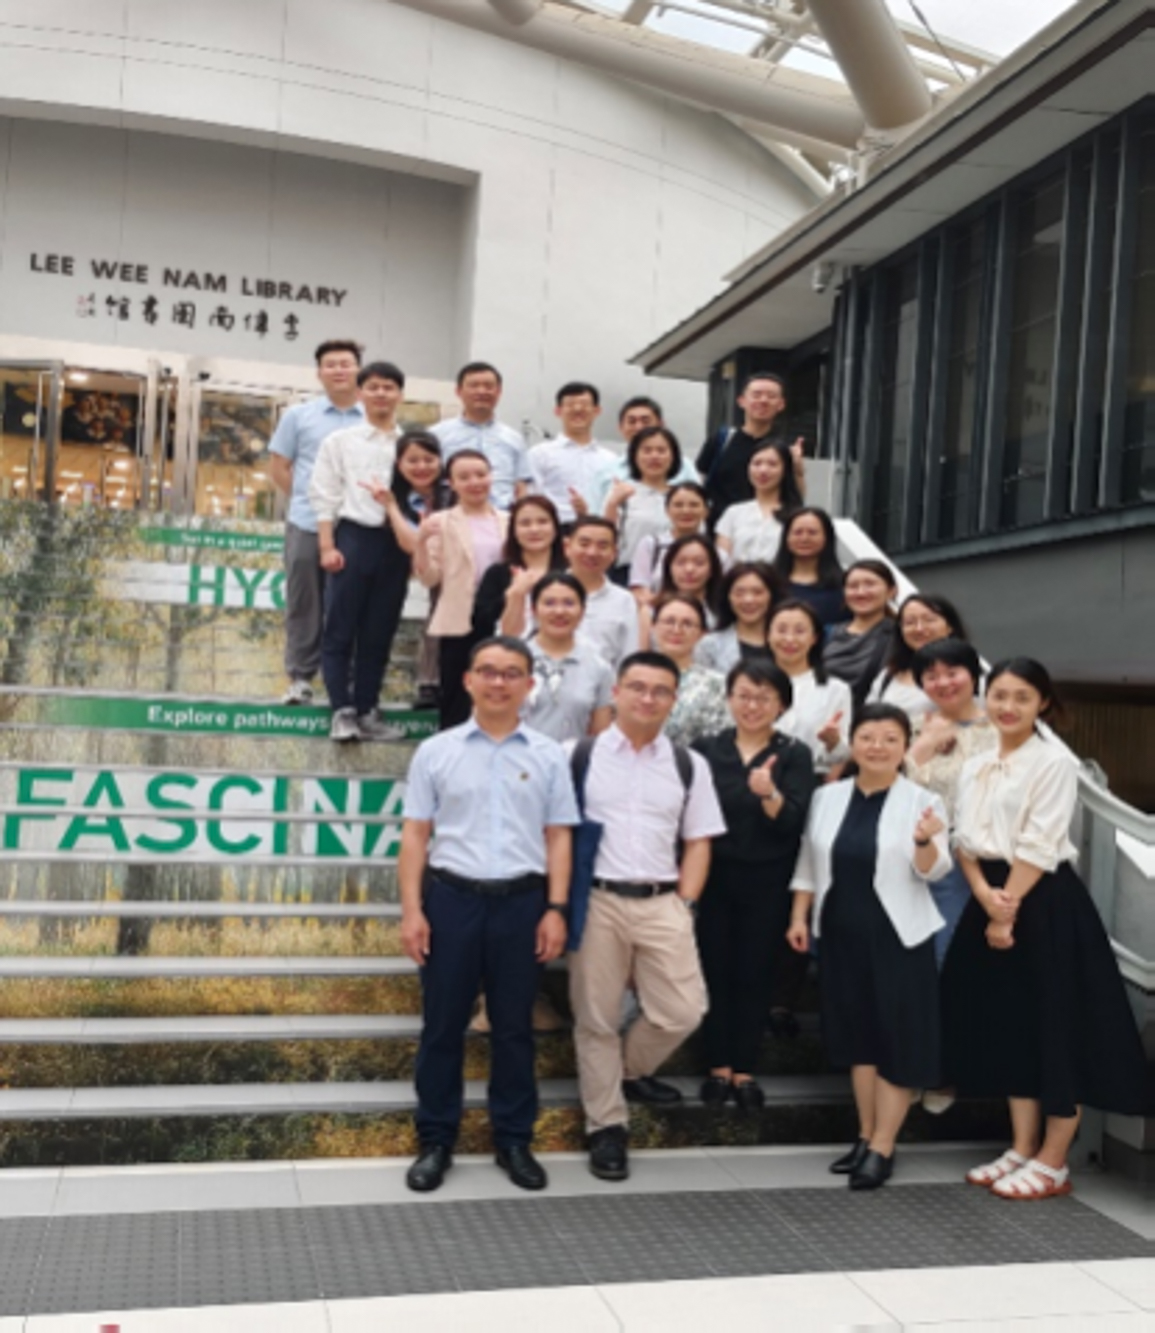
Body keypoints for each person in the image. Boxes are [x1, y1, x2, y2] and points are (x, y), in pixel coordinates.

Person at [942, 659, 1147, 1200]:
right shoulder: (977, 762)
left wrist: (1003, 911)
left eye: (1022, 697)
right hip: (990, 894)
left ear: (1043, 704)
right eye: (999, 695)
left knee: (1057, 1026)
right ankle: (1021, 1146)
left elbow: (1038, 842)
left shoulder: (1054, 761)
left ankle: (1054, 1160)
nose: (1008, 707)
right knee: (1010, 1026)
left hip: (1042, 900)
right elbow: (963, 839)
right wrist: (984, 896)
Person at [399, 637, 579, 1194]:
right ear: (468, 680)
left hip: (522, 904)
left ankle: (514, 1140)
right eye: (488, 671)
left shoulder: (548, 755)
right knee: (442, 1027)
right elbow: (415, 835)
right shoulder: (437, 752)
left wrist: (555, 908)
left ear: (528, 685)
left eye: (511, 673)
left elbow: (559, 837)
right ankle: (435, 1140)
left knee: (514, 1028)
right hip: (451, 901)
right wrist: (412, 911)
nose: (499, 682)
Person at [568, 651, 727, 1182]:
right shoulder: (577, 755)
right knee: (597, 1019)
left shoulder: (688, 764)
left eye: (660, 690)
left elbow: (699, 840)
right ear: (616, 692)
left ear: (673, 700)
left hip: (663, 900)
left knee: (683, 1010)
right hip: (597, 899)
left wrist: (685, 903)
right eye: (637, 687)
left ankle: (625, 1072)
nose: (647, 698)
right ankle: (606, 1126)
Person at [788, 704, 952, 1190]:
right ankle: (864, 1135)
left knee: (894, 1042)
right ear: (853, 742)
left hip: (898, 935)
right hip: (840, 932)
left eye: (889, 739)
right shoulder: (828, 797)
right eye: (867, 737)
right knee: (857, 1040)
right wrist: (799, 916)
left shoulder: (924, 801)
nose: (877, 747)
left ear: (905, 747)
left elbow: (934, 870)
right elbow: (808, 861)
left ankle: (883, 1146)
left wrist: (923, 841)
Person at [693, 662, 815, 1108]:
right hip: (713, 878)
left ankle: (744, 1068)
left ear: (781, 704)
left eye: (764, 698)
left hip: (768, 881)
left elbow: (794, 823)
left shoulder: (794, 754)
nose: (752, 706)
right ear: (729, 698)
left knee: (754, 972)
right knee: (713, 970)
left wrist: (770, 794)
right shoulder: (706, 750)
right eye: (744, 695)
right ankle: (717, 1066)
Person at [308, 360, 407, 742]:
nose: (381, 394)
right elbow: (324, 494)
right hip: (353, 537)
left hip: (395, 543)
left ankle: (368, 709)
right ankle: (342, 711)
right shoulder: (340, 441)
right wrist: (327, 546)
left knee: (379, 632)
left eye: (389, 387)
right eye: (374, 387)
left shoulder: (409, 444)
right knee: (339, 630)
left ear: (400, 394)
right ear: (360, 392)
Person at [269, 339, 365, 704]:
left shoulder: (373, 416)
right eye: (331, 364)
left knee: (350, 603)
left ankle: (345, 681)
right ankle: (300, 677)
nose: (339, 370)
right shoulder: (298, 416)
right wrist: (310, 499)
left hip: (357, 525)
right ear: (319, 372)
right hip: (307, 523)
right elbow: (279, 467)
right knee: (304, 601)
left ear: (358, 370)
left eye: (346, 363)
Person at [905, 638, 998, 968]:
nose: (943, 682)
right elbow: (893, 786)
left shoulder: (1000, 727)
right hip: (919, 852)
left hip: (983, 855)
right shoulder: (911, 727)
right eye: (931, 676)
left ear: (973, 675)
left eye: (952, 672)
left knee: (959, 949)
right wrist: (926, 743)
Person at [414, 450, 508, 730]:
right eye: (464, 477)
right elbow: (429, 578)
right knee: (456, 699)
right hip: (459, 618)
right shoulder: (441, 521)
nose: (474, 482)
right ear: (451, 483)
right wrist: (421, 542)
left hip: (502, 615)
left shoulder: (510, 520)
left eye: (481, 474)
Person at [374, 429, 450, 709]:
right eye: (413, 460)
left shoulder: (452, 495)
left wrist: (393, 509)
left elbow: (419, 544)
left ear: (440, 461)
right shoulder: (392, 494)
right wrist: (392, 506)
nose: (422, 467)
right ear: (399, 464)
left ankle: (432, 682)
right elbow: (407, 545)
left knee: (443, 605)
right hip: (398, 560)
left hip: (445, 563)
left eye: (429, 459)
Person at [696, 373, 805, 522]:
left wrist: (798, 471)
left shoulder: (783, 448)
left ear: (781, 404)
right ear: (741, 401)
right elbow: (699, 482)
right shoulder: (722, 440)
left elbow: (795, 499)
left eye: (771, 396)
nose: (763, 400)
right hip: (717, 527)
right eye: (756, 395)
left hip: (764, 527)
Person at [522, 573, 614, 742]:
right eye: (549, 603)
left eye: (569, 603)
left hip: (572, 757)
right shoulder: (515, 660)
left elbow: (600, 734)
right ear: (533, 610)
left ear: (582, 611)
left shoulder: (599, 667)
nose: (559, 611)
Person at [431, 361, 531, 510]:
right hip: (452, 515)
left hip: (502, 515)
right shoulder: (437, 434)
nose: (482, 391)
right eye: (474, 386)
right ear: (458, 391)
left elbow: (521, 485)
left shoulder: (514, 438)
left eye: (488, 386)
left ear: (499, 392)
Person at [769, 600, 852, 778]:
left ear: (814, 638)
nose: (790, 639)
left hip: (811, 779)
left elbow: (842, 755)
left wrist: (833, 741)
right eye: (781, 630)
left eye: (799, 631)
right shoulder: (750, 684)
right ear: (768, 635)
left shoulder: (835, 689)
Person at [468, 495, 565, 638]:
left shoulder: (571, 571)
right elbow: (481, 624)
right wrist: (514, 594)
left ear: (555, 527)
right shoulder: (498, 573)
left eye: (542, 522)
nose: (534, 529)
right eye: (525, 524)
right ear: (513, 530)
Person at [600, 427, 686, 583]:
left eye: (661, 451)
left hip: (677, 574)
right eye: (647, 451)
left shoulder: (683, 496)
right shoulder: (622, 492)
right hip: (628, 573)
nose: (654, 456)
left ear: (673, 456)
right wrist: (613, 504)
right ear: (634, 456)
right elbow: (606, 535)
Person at [866, 594, 969, 722]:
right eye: (910, 622)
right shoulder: (889, 674)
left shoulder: (970, 671)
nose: (919, 628)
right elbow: (868, 720)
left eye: (929, 620)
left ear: (950, 626)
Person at [528, 383, 617, 524]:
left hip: (596, 528)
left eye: (584, 404)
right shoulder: (540, 454)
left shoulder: (610, 459)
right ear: (558, 411)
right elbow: (532, 498)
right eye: (570, 405)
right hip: (556, 528)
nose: (577, 409)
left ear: (597, 411)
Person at [649, 594, 729, 745]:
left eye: (687, 624)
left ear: (702, 633)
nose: (676, 630)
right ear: (653, 626)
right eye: (669, 621)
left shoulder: (717, 685)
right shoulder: (630, 677)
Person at [563, 517, 640, 670]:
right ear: (567, 547)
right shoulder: (545, 592)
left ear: (614, 553)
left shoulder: (624, 600)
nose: (592, 552)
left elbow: (629, 656)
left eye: (602, 546)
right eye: (584, 544)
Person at [822, 560, 897, 708]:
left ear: (891, 591)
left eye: (870, 584)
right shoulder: (826, 634)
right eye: (853, 586)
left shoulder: (901, 636)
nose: (861, 592)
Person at [714, 440, 803, 564]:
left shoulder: (796, 515)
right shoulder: (733, 513)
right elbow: (722, 560)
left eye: (772, 464)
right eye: (757, 463)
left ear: (785, 470)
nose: (763, 470)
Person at [628, 481, 711, 605]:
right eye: (678, 505)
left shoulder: (717, 552)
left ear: (706, 511)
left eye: (694, 505)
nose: (686, 511)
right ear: (667, 510)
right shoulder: (650, 545)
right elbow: (639, 590)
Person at [696, 562, 778, 675]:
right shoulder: (710, 645)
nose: (748, 600)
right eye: (739, 593)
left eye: (757, 592)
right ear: (728, 597)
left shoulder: (788, 641)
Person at [771, 507, 847, 628]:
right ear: (786, 537)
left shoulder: (844, 585)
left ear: (827, 537)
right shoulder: (769, 582)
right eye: (798, 532)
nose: (804, 538)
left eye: (812, 532)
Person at [651, 534, 724, 632]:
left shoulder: (724, 611)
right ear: (669, 567)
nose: (689, 569)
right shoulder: (650, 611)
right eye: (681, 563)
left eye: (699, 563)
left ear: (712, 569)